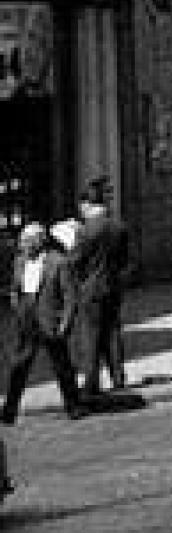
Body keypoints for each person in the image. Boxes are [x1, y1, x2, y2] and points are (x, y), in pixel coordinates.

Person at [2, 222, 84, 423]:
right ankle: (9, 410)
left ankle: (73, 406)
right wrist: (17, 306)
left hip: (49, 319)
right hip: (26, 318)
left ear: (39, 242)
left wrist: (65, 324)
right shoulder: (20, 261)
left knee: (62, 366)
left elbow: (70, 297)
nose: (22, 245)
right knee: (19, 365)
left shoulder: (59, 262)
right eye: (22, 241)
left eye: (27, 241)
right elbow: (15, 287)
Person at [69, 179, 129, 395]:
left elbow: (75, 261)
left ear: (87, 204)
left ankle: (91, 383)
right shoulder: (118, 226)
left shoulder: (85, 231)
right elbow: (124, 261)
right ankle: (118, 378)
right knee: (112, 332)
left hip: (91, 289)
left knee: (91, 335)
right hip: (113, 286)